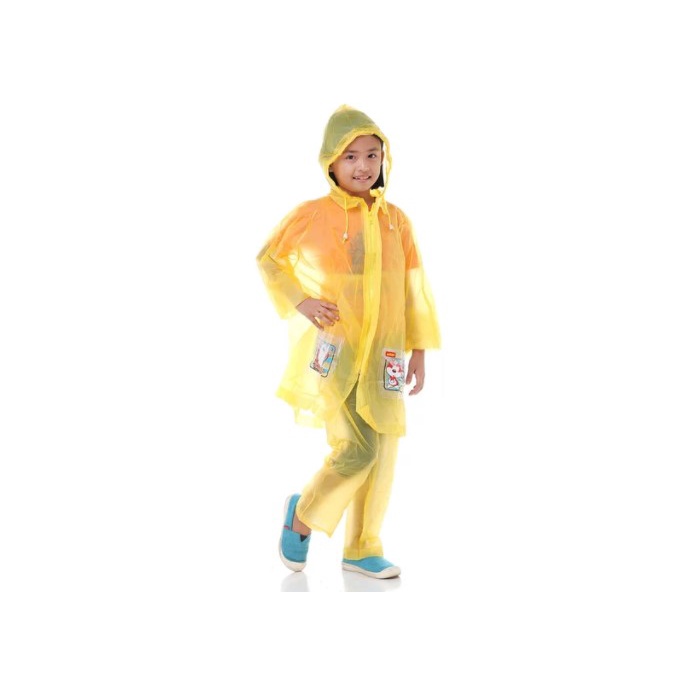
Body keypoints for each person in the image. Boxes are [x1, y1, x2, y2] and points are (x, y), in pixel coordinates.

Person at [256, 105, 441, 579]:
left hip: (387, 356)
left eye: (372, 155)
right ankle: (302, 514)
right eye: (351, 156)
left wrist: (419, 349)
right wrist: (302, 302)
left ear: (384, 159)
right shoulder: (313, 215)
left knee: (383, 452)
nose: (363, 166)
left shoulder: (397, 222)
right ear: (331, 163)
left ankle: (362, 546)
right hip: (338, 351)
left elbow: (413, 290)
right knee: (357, 449)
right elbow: (270, 259)